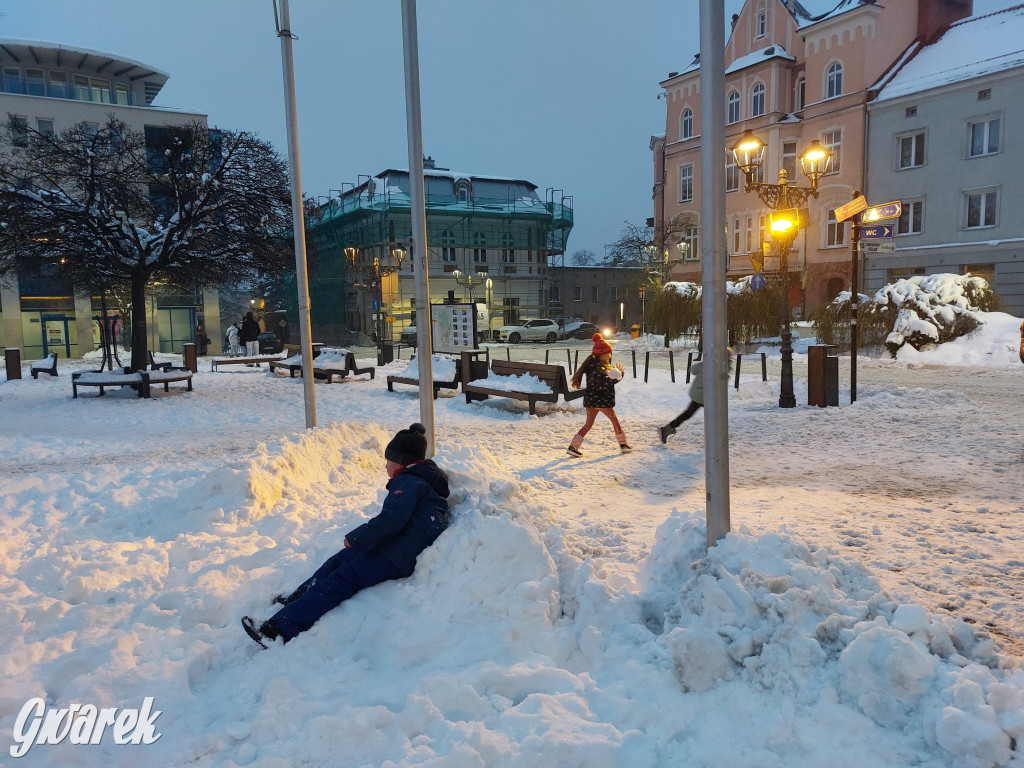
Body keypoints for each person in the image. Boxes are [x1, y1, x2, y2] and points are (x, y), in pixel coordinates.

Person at [242, 423, 451, 647]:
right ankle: (297, 600)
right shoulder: (417, 481)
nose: (385, 466)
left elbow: (390, 521)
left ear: (401, 461)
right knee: (338, 562)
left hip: (396, 556)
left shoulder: (409, 482)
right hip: (392, 547)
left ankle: (280, 629)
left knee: (342, 578)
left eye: (388, 460)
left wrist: (357, 538)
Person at [566, 333, 631, 457]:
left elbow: (607, 381)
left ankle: (573, 447)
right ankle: (623, 445)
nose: (610, 355)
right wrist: (612, 377)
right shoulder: (597, 368)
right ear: (601, 354)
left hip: (592, 401)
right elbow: (602, 385)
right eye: (608, 353)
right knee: (614, 420)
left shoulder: (596, 366)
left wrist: (618, 375)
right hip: (601, 401)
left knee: (588, 424)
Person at [659, 347, 733, 443]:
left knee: (689, 413)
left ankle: (667, 429)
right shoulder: (723, 367)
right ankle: (717, 438)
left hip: (698, 393)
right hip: (705, 395)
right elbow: (722, 383)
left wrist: (703, 365)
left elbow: (692, 370)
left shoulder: (707, 364)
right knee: (715, 415)